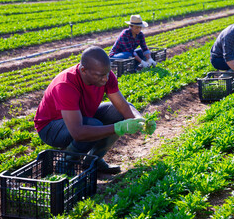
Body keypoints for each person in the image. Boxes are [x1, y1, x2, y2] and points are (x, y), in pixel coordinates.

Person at [34, 46, 156, 174]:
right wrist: (117, 128)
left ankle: (93, 161)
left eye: (107, 73)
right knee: (93, 125)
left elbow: (124, 106)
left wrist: (139, 120)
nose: (105, 79)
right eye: (101, 76)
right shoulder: (65, 84)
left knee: (116, 112)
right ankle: (66, 163)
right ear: (84, 70)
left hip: (81, 116)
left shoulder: (105, 75)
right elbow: (78, 132)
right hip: (50, 128)